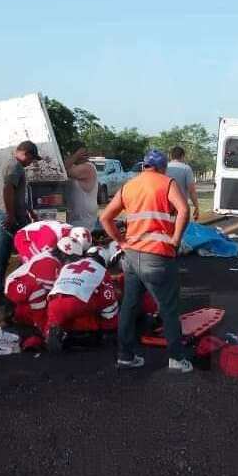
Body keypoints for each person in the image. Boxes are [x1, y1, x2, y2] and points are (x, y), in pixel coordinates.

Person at [100, 149, 191, 372]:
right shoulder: (166, 183)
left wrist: (121, 241)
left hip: (131, 256)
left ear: (144, 166)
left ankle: (125, 357)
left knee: (129, 307)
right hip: (158, 255)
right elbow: (183, 210)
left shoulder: (129, 186)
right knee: (168, 308)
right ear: (162, 168)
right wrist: (176, 240)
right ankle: (177, 359)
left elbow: (105, 217)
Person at [0, 140, 42, 305]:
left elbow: (18, 195)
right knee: (26, 251)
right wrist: (11, 215)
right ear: (26, 154)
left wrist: (30, 211)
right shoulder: (15, 167)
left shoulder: (12, 165)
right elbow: (8, 190)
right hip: (9, 217)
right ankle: (17, 289)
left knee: (5, 254)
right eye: (32, 159)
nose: (31, 163)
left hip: (8, 215)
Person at [63, 146, 99, 230]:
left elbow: (62, 170)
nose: (67, 157)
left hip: (84, 219)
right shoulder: (76, 166)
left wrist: (76, 155)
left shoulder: (87, 167)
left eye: (69, 154)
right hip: (77, 217)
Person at [167, 145, 200, 221]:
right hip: (180, 207)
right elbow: (192, 191)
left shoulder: (165, 167)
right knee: (180, 230)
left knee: (168, 228)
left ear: (171, 156)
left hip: (166, 206)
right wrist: (196, 207)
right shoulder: (186, 169)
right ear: (182, 156)